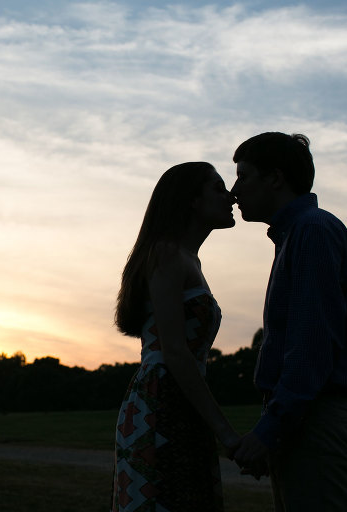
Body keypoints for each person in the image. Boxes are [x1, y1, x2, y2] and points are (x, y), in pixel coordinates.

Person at [228, 132, 347, 511]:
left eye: (243, 176)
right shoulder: (298, 234)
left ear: (275, 178)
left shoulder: (311, 231)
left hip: (317, 420)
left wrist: (270, 429)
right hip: (305, 418)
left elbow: (311, 345)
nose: (234, 189)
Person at [112, 162, 240, 512]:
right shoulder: (167, 255)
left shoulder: (187, 259)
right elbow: (175, 352)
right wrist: (225, 433)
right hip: (161, 404)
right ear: (192, 200)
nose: (231, 196)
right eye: (217, 188)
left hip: (178, 400)